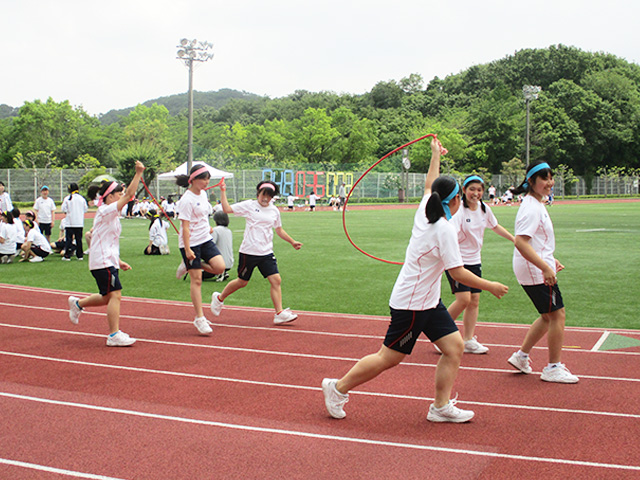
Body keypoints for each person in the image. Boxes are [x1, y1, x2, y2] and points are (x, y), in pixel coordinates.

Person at [321, 137, 509, 423]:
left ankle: (440, 407)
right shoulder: (443, 229)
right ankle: (337, 388)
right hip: (411, 303)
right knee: (389, 358)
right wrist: (490, 285)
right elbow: (458, 273)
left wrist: (435, 155)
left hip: (428, 301)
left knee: (454, 347)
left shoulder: (426, 208)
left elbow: (428, 185)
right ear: (455, 201)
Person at [507, 162, 578, 383]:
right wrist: (545, 267)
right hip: (534, 270)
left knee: (548, 316)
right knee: (558, 315)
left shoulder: (536, 203)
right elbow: (521, 242)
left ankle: (521, 356)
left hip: (535, 266)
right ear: (531, 181)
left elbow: (536, 241)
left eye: (550, 178)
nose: (550, 183)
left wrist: (549, 259)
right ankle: (553, 367)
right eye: (544, 179)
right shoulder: (531, 207)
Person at [67, 161, 146, 347]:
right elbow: (130, 195)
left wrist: (118, 261)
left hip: (106, 260)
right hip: (102, 262)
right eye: (118, 194)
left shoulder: (111, 215)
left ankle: (77, 304)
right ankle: (113, 335)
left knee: (107, 296)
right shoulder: (105, 210)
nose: (121, 197)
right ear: (110, 196)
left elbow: (107, 242)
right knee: (115, 295)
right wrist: (138, 173)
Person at [211, 180, 303, 325]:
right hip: (249, 252)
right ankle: (219, 298)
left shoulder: (274, 210)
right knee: (242, 282)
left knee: (276, 280)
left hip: (266, 252)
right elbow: (227, 209)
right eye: (263, 195)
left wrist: (292, 241)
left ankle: (279, 313)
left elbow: (278, 229)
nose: (265, 198)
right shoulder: (249, 205)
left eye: (269, 196)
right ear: (258, 193)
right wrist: (223, 191)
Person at [444, 175, 515, 354]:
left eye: (479, 189)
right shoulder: (459, 210)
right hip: (457, 261)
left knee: (474, 301)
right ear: (464, 190)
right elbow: (450, 234)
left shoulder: (484, 209)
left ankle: (468, 339)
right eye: (472, 189)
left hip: (475, 259)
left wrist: (514, 240)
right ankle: (441, 336)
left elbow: (495, 226)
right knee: (463, 299)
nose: (476, 193)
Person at [174, 165, 226, 335]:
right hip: (191, 242)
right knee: (196, 280)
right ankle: (199, 318)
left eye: (208, 179)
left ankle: (187, 265)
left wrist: (208, 227)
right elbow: (185, 227)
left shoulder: (203, 194)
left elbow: (203, 215)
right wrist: (188, 249)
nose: (206, 183)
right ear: (193, 180)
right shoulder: (186, 200)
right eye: (203, 179)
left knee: (220, 267)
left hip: (205, 238)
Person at [61, 182, 88, 261]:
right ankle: (80, 255)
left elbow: (64, 209)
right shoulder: (81, 198)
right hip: (79, 222)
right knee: (78, 239)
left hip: (70, 222)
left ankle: (67, 255)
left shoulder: (67, 198)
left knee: (69, 239)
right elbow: (85, 209)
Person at [211, 210, 233, 282]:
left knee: (198, 269)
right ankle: (223, 272)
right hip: (229, 263)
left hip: (219, 263)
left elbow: (210, 245)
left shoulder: (215, 230)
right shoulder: (228, 231)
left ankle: (219, 273)